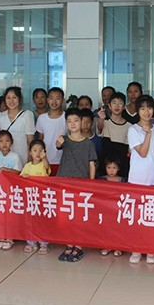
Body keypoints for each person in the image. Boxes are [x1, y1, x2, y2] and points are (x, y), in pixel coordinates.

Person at [56, 108, 98, 262]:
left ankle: (78, 246)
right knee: (66, 217)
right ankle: (69, 244)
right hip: (64, 183)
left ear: (82, 122)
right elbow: (57, 145)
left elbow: (92, 164)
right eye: (69, 121)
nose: (72, 124)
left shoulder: (88, 144)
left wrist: (91, 184)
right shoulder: (64, 140)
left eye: (76, 120)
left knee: (79, 217)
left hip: (81, 186)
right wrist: (58, 142)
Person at [127, 95, 154, 264]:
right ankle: (137, 248)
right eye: (142, 108)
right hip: (137, 179)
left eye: (149, 108)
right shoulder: (133, 130)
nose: (146, 112)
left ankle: (151, 249)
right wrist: (147, 134)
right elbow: (142, 152)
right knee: (137, 216)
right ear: (137, 111)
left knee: (152, 217)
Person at [20, 139, 51, 255]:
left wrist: (44, 158)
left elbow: (47, 168)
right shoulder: (27, 166)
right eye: (35, 150)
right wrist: (24, 177)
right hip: (30, 199)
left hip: (42, 198)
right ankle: (31, 242)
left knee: (42, 221)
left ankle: (43, 243)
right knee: (30, 221)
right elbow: (20, 179)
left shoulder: (43, 164)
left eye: (40, 150)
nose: (38, 153)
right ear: (30, 152)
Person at [0, 86, 35, 165]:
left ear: (19, 99)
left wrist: (30, 161)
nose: (11, 101)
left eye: (14, 97)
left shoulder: (27, 115)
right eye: (8, 98)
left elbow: (31, 141)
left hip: (23, 159)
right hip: (4, 161)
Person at [98, 92, 132, 178]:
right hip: (106, 164)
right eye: (114, 103)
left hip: (122, 165)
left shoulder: (130, 126)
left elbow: (129, 150)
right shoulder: (105, 122)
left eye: (120, 103)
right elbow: (99, 127)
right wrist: (101, 119)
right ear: (109, 106)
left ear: (124, 107)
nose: (117, 106)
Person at [36, 87, 67, 175]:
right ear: (47, 100)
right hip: (45, 159)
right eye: (51, 98)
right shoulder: (42, 118)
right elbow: (40, 139)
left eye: (58, 98)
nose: (54, 101)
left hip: (62, 160)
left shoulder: (67, 118)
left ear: (62, 100)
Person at [99, 156, 124, 258]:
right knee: (106, 228)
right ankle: (107, 246)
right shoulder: (102, 180)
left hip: (118, 210)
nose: (111, 170)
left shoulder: (122, 180)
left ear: (118, 168)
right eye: (109, 168)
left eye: (114, 168)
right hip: (106, 209)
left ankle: (118, 247)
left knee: (118, 228)